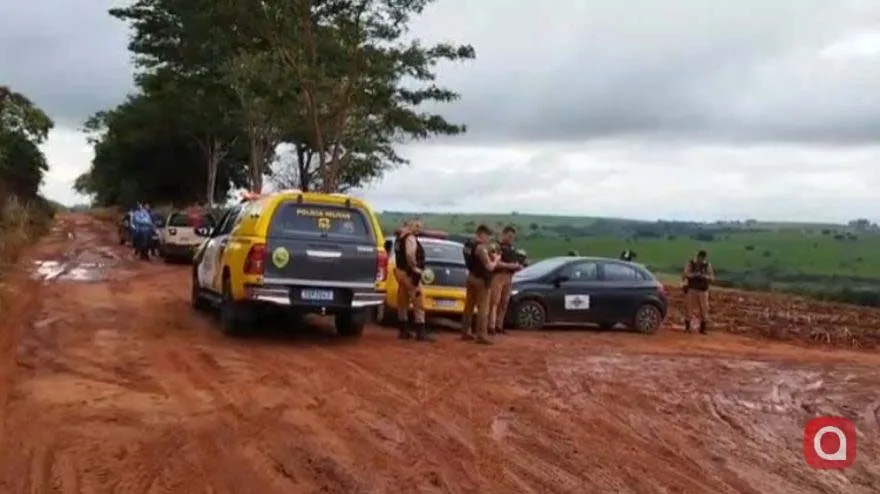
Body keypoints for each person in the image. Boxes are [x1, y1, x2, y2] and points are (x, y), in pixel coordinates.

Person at [393, 218, 433, 342]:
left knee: (403, 301)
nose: (418, 228)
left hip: (400, 272)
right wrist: (415, 267)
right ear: (410, 225)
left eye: (420, 226)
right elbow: (410, 255)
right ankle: (420, 332)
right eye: (416, 225)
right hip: (409, 274)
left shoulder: (399, 238)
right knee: (418, 300)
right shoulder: (410, 238)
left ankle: (403, 330)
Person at [461, 224, 499, 344]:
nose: (488, 239)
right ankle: (481, 335)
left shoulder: (468, 245)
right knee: (483, 308)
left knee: (468, 306)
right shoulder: (480, 248)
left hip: (471, 276)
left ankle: (465, 331)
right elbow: (489, 267)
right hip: (481, 280)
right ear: (481, 234)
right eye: (487, 236)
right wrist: (496, 260)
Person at [488, 225, 523, 334]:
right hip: (498, 276)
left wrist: (516, 266)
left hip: (509, 277)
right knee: (495, 302)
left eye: (512, 237)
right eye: (509, 236)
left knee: (504, 302)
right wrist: (511, 266)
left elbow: (516, 263)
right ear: (503, 234)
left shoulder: (512, 248)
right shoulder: (496, 246)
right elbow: (496, 263)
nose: (510, 238)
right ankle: (491, 326)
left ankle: (499, 325)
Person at [682, 250, 714, 334]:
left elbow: (712, 277)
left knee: (704, 309)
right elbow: (685, 274)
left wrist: (704, 277)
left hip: (703, 290)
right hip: (692, 288)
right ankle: (687, 327)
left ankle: (703, 328)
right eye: (700, 257)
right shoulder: (691, 263)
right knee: (689, 308)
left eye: (703, 258)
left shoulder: (707, 265)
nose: (701, 259)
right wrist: (694, 275)